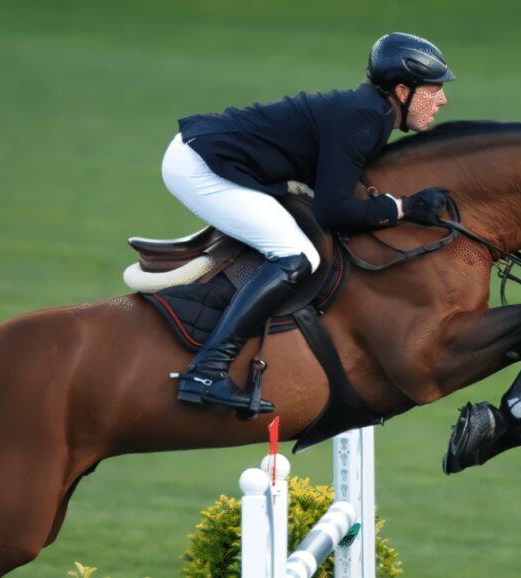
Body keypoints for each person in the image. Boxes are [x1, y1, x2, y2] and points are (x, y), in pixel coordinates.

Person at [161, 32, 455, 413]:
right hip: (200, 166)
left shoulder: (372, 113)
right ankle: (207, 370)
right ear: (402, 91)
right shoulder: (365, 119)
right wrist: (401, 208)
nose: (442, 100)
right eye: (434, 89)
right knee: (298, 256)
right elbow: (332, 212)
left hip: (209, 154)